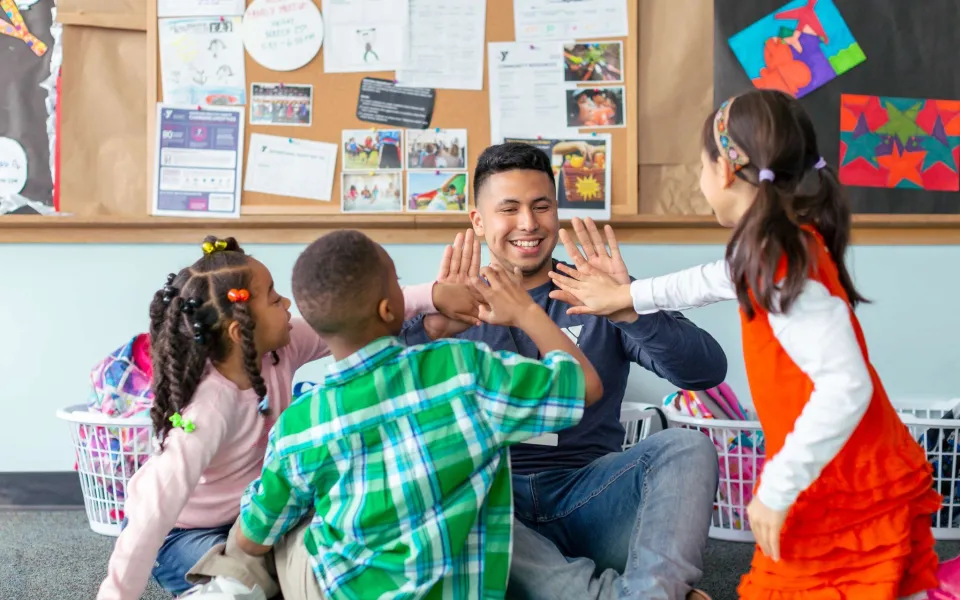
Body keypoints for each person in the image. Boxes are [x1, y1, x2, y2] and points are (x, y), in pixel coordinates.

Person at [546, 89, 948, 599]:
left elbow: (847, 386)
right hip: (827, 474)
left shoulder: (783, 267)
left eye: (699, 165)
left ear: (723, 171)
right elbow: (703, 281)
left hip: (843, 480)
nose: (698, 178)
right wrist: (626, 295)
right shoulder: (767, 246)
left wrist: (778, 487)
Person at [401, 142, 727, 600]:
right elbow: (373, 403)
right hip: (496, 510)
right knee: (439, 496)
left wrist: (630, 306)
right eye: (508, 209)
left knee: (688, 446)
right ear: (478, 222)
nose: (528, 224)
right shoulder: (451, 310)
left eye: (541, 207)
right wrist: (429, 327)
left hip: (591, 499)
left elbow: (706, 371)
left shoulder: (598, 292)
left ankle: (639, 591)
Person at [97, 236, 480, 600]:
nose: (287, 305)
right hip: (184, 533)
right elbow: (152, 513)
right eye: (274, 298)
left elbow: (346, 317)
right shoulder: (209, 408)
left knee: (323, 550)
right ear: (239, 330)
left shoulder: (279, 350)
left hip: (256, 514)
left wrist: (433, 295)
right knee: (250, 582)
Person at [233, 230, 603, 599]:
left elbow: (252, 538)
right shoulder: (462, 369)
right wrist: (526, 311)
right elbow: (585, 385)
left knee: (297, 520)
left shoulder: (298, 426)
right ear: (388, 309)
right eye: (397, 282)